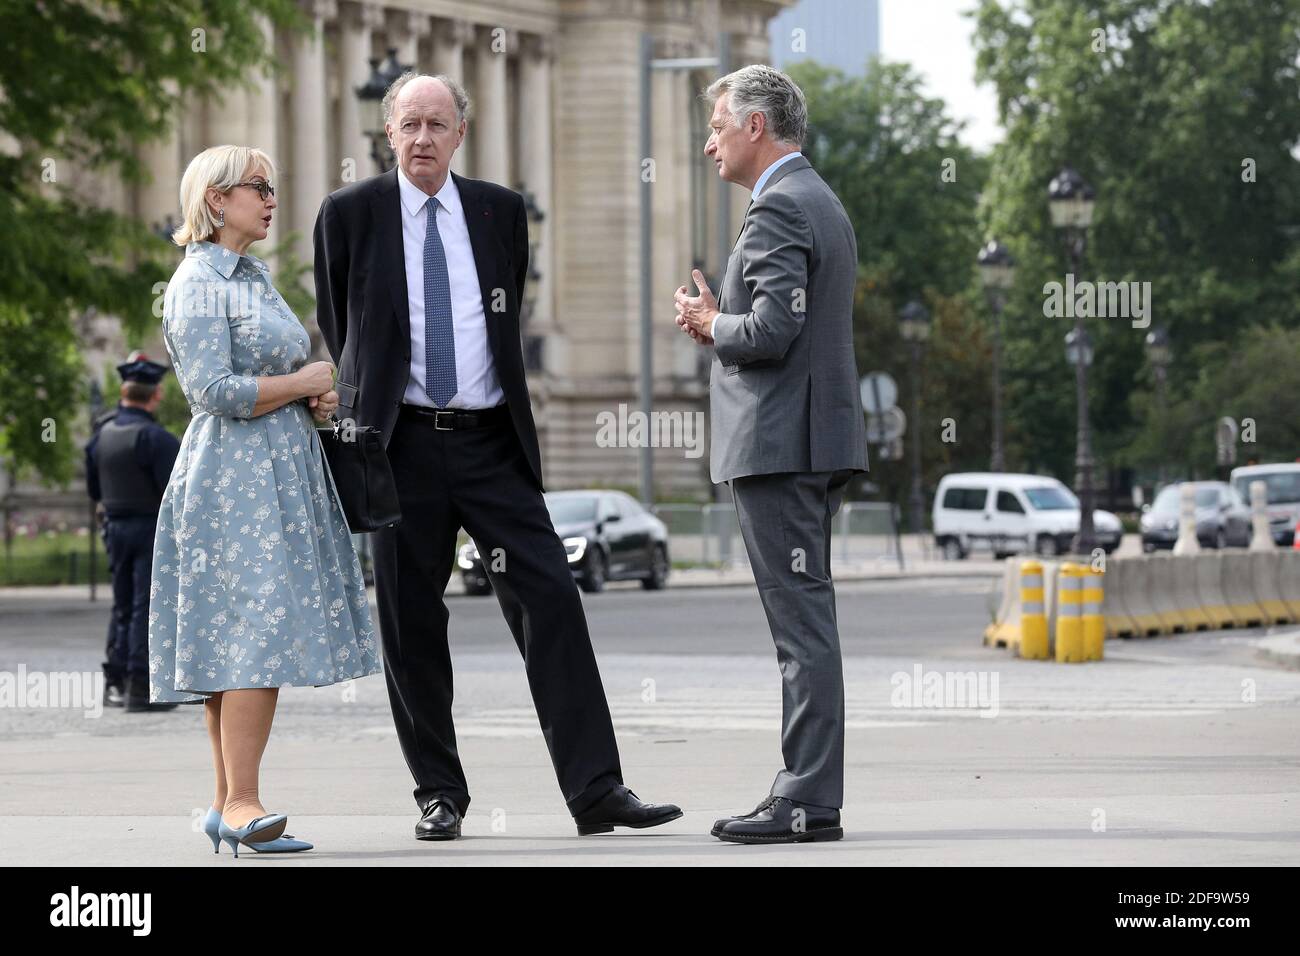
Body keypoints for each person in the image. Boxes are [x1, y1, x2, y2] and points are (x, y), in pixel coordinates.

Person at [313, 73, 680, 840]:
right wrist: (366, 414)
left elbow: (508, 308)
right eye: (408, 123)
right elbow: (338, 321)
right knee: (411, 623)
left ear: (460, 134)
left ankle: (597, 789)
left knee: (552, 599)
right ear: (388, 134)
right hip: (399, 446)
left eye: (436, 124)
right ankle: (438, 794)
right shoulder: (350, 215)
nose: (421, 138)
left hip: (491, 444)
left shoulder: (500, 212)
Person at [149, 144, 382, 857]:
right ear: (215, 200)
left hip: (275, 466)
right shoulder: (197, 282)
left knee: (243, 635)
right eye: (257, 187)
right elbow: (212, 392)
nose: (271, 197)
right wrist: (305, 376)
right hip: (233, 478)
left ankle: (226, 804)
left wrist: (314, 395)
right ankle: (243, 801)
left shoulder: (252, 276)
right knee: (253, 638)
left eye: (272, 186)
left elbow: (269, 375)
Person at [675, 64, 868, 843]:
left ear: (757, 126)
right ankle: (808, 794)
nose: (709, 143)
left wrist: (711, 325)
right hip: (808, 440)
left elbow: (771, 333)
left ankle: (806, 799)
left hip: (781, 448)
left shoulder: (779, 208)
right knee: (806, 624)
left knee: (801, 632)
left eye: (718, 127)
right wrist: (732, 318)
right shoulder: (815, 198)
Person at [84, 353, 181, 711]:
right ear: (155, 395)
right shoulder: (157, 439)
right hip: (149, 528)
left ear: (124, 392)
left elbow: (94, 490)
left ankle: (115, 682)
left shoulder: (100, 437)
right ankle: (141, 687)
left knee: (122, 606)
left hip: (114, 528)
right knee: (146, 606)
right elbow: (176, 492)